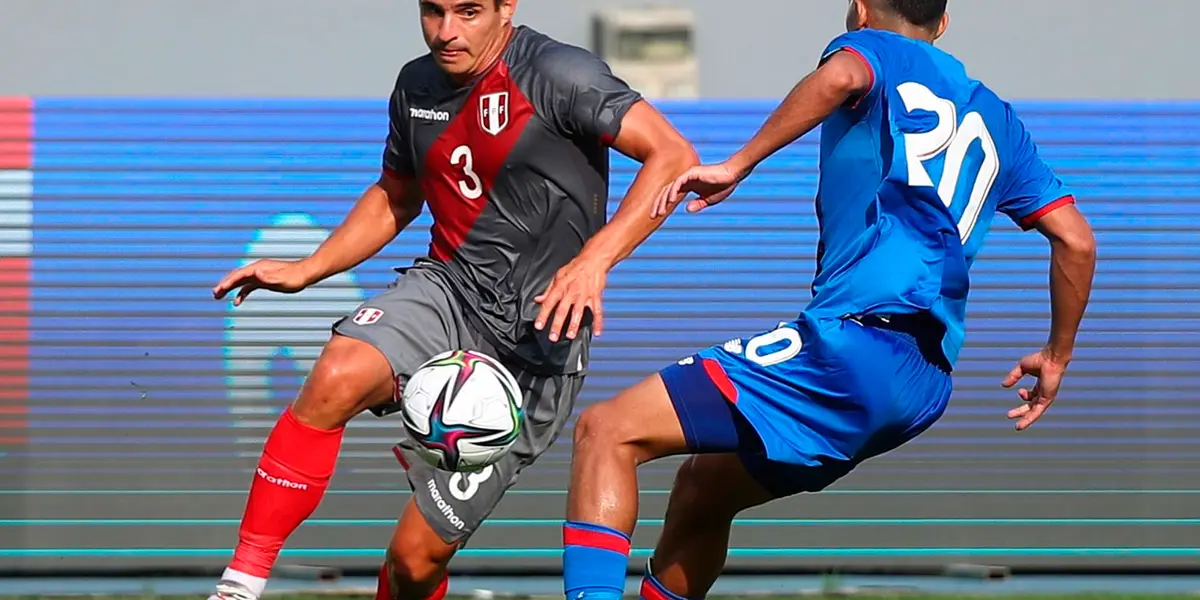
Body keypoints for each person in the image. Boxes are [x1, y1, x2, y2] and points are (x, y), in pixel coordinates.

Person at [559, 1, 1098, 599]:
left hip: (854, 345)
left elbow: (841, 77)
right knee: (705, 488)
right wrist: (1056, 356)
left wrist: (737, 164)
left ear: (859, 10)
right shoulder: (998, 118)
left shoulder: (876, 50)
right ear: (942, 25)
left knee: (606, 431)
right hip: (923, 381)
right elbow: (1076, 240)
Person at [206, 1, 700, 599]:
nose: (446, 32)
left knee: (414, 563)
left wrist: (594, 260)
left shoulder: (559, 73)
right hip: (449, 291)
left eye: (467, 12)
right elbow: (397, 194)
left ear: (506, 7)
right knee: (337, 373)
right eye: (433, 12)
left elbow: (674, 155)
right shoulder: (416, 84)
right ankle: (240, 583)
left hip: (538, 341)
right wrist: (309, 269)